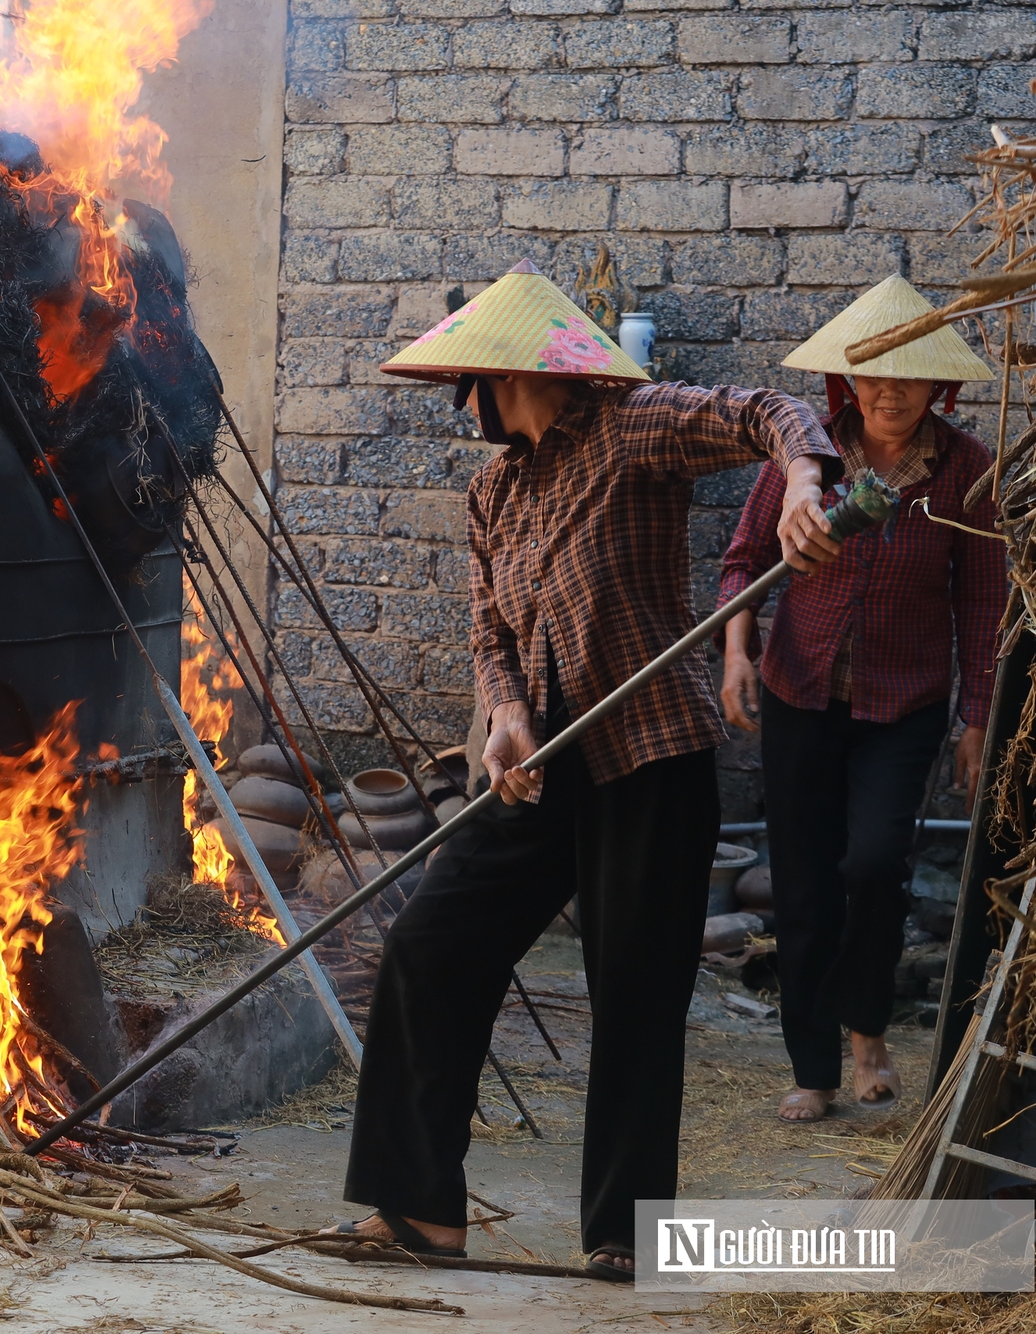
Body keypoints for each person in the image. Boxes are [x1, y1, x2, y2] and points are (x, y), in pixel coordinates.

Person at [329, 260, 846, 1282]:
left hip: (646, 752)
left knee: (635, 990)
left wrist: (799, 480)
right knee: (428, 948)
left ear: (501, 375)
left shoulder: (632, 426)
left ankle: (624, 1229)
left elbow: (766, 411)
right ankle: (420, 1204)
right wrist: (505, 718)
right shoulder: (493, 491)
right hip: (542, 769)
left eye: (462, 384)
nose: (457, 404)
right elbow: (489, 633)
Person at [717, 275, 1006, 1123]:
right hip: (798, 694)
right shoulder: (810, 457)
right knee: (802, 886)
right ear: (850, 381)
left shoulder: (966, 472)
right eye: (875, 374)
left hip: (903, 704)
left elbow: (982, 605)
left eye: (909, 377)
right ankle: (817, 1069)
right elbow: (743, 563)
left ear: (936, 388)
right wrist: (739, 650)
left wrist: (976, 717)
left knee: (874, 866)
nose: (890, 391)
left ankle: (867, 1027)